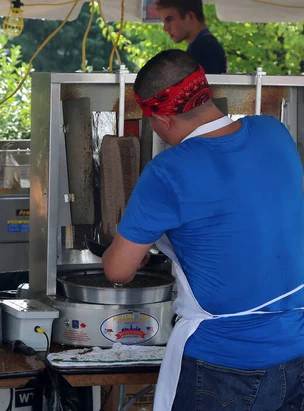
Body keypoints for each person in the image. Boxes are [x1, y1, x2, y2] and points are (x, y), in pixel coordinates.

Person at [101, 49, 304, 410]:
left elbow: (118, 270)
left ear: (161, 119)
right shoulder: (274, 132)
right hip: (296, 353)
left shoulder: (168, 171)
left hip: (224, 363)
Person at [157, 0, 227, 74]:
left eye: (169, 20)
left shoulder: (203, 49)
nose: (165, 28)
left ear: (190, 16)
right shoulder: (206, 45)